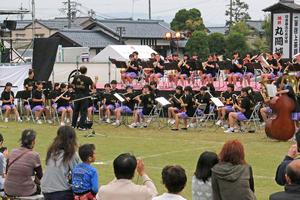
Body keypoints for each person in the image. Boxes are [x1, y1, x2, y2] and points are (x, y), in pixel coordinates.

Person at [41, 126, 80, 200]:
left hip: (45, 190)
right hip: (60, 192)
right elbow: (78, 173)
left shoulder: (52, 151)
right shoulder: (71, 153)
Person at [4, 129, 43, 197]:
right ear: (33, 142)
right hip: (25, 191)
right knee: (39, 188)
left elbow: (7, 171)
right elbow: (40, 175)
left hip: (8, 189)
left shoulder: (13, 151)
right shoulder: (34, 155)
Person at [71, 66, 97, 130]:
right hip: (84, 97)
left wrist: (76, 89)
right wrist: (96, 80)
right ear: (86, 71)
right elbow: (93, 86)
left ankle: (73, 125)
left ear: (80, 71)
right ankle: (81, 126)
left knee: (75, 111)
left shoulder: (76, 77)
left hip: (77, 97)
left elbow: (72, 84)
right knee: (83, 112)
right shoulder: (88, 78)